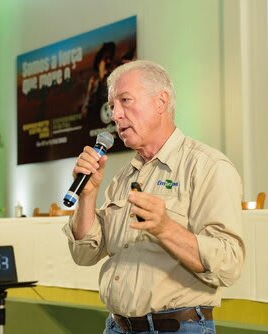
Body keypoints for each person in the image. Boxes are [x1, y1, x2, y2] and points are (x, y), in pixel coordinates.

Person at [63, 60, 245, 334]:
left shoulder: (207, 167)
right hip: (117, 327)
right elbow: (84, 254)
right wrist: (88, 196)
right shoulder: (123, 177)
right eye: (113, 106)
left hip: (177, 328)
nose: (116, 115)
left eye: (125, 101)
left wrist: (165, 229)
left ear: (161, 101)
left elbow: (229, 264)